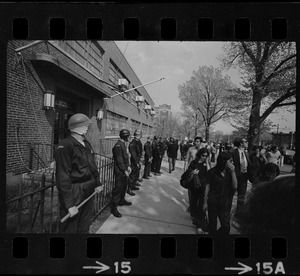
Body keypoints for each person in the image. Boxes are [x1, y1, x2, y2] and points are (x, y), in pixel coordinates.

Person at [55, 113, 103, 233]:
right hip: (75, 190)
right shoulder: (65, 145)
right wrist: (69, 205)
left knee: (84, 224)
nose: (87, 128)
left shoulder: (86, 144)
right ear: (78, 127)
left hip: (89, 187)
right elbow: (63, 176)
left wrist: (97, 183)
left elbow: (93, 166)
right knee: (71, 227)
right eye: (86, 125)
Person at [203, 152, 237, 236]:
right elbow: (207, 186)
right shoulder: (212, 172)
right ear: (223, 161)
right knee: (212, 226)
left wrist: (233, 172)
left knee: (226, 227)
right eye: (230, 161)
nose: (232, 163)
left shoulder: (230, 172)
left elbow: (235, 186)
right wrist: (205, 202)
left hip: (225, 203)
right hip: (213, 202)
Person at [185, 148, 209, 234]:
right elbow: (188, 171)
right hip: (194, 186)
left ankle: (200, 225)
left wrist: (207, 163)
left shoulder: (206, 164)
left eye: (206, 156)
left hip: (203, 186)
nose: (204, 157)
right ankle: (195, 217)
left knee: (202, 205)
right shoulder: (194, 163)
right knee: (193, 203)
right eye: (203, 155)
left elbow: (209, 174)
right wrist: (192, 172)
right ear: (199, 155)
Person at [111, 129, 132, 218]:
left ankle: (122, 200)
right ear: (125, 136)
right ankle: (114, 208)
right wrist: (124, 170)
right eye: (128, 136)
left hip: (125, 170)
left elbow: (126, 158)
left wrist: (128, 167)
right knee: (118, 189)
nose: (129, 137)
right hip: (120, 172)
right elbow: (119, 160)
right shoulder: (118, 146)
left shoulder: (123, 144)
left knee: (124, 187)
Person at [231, 137, 252, 214]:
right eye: (245, 141)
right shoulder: (233, 152)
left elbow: (248, 165)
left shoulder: (246, 153)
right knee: (231, 195)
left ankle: (239, 213)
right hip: (235, 177)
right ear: (241, 143)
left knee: (241, 197)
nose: (247, 143)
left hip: (244, 177)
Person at [128, 129, 143, 194]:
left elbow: (140, 151)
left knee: (136, 174)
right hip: (134, 162)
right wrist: (136, 162)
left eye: (139, 134)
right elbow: (133, 154)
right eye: (138, 134)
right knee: (132, 175)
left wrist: (140, 160)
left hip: (137, 160)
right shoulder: (133, 143)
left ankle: (133, 185)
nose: (139, 136)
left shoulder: (138, 142)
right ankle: (129, 189)